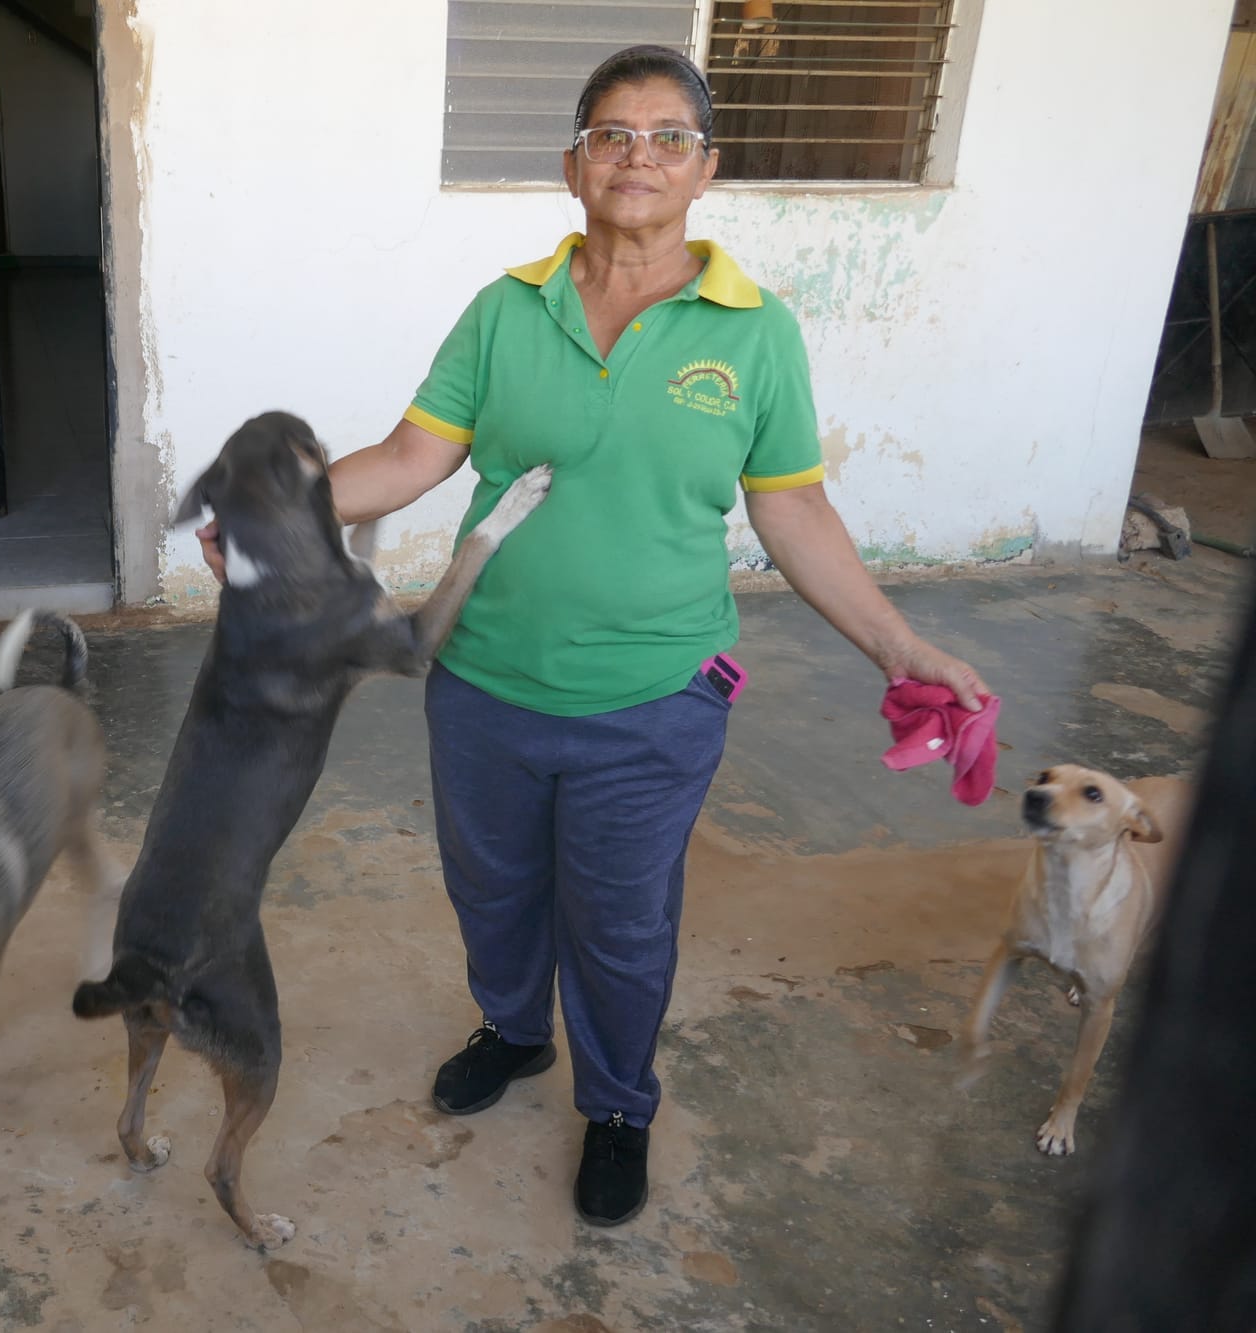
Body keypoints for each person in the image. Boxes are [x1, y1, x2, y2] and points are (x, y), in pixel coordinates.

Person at [195, 45, 990, 1226]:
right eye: (613, 135)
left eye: (668, 136)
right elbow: (414, 455)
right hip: (481, 682)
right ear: (574, 164)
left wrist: (894, 644)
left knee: (618, 922)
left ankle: (617, 1102)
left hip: (653, 697)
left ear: (705, 168)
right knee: (493, 890)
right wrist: (278, 511)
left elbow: (790, 507)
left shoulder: (753, 332)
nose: (638, 157)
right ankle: (514, 1032)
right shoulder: (503, 310)